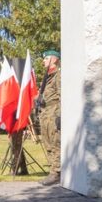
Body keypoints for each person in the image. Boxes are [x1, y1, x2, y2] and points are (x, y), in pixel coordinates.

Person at [37, 50, 62, 185]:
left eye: (46, 58)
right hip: (46, 113)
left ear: (54, 59)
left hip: (53, 112)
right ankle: (53, 170)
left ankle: (56, 172)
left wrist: (60, 114)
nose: (43, 61)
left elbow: (62, 96)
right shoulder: (47, 77)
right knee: (47, 143)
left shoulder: (58, 75)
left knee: (55, 143)